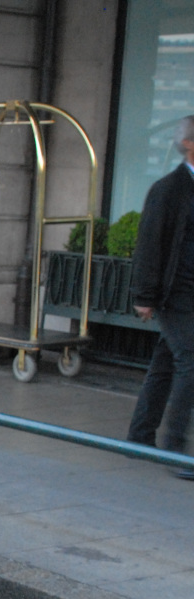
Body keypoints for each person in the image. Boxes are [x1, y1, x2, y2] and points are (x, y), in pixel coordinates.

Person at [126, 114, 194, 480]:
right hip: (174, 294)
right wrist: (145, 296)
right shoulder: (168, 189)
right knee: (191, 362)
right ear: (188, 145)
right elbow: (150, 245)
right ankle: (175, 451)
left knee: (165, 364)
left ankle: (139, 437)